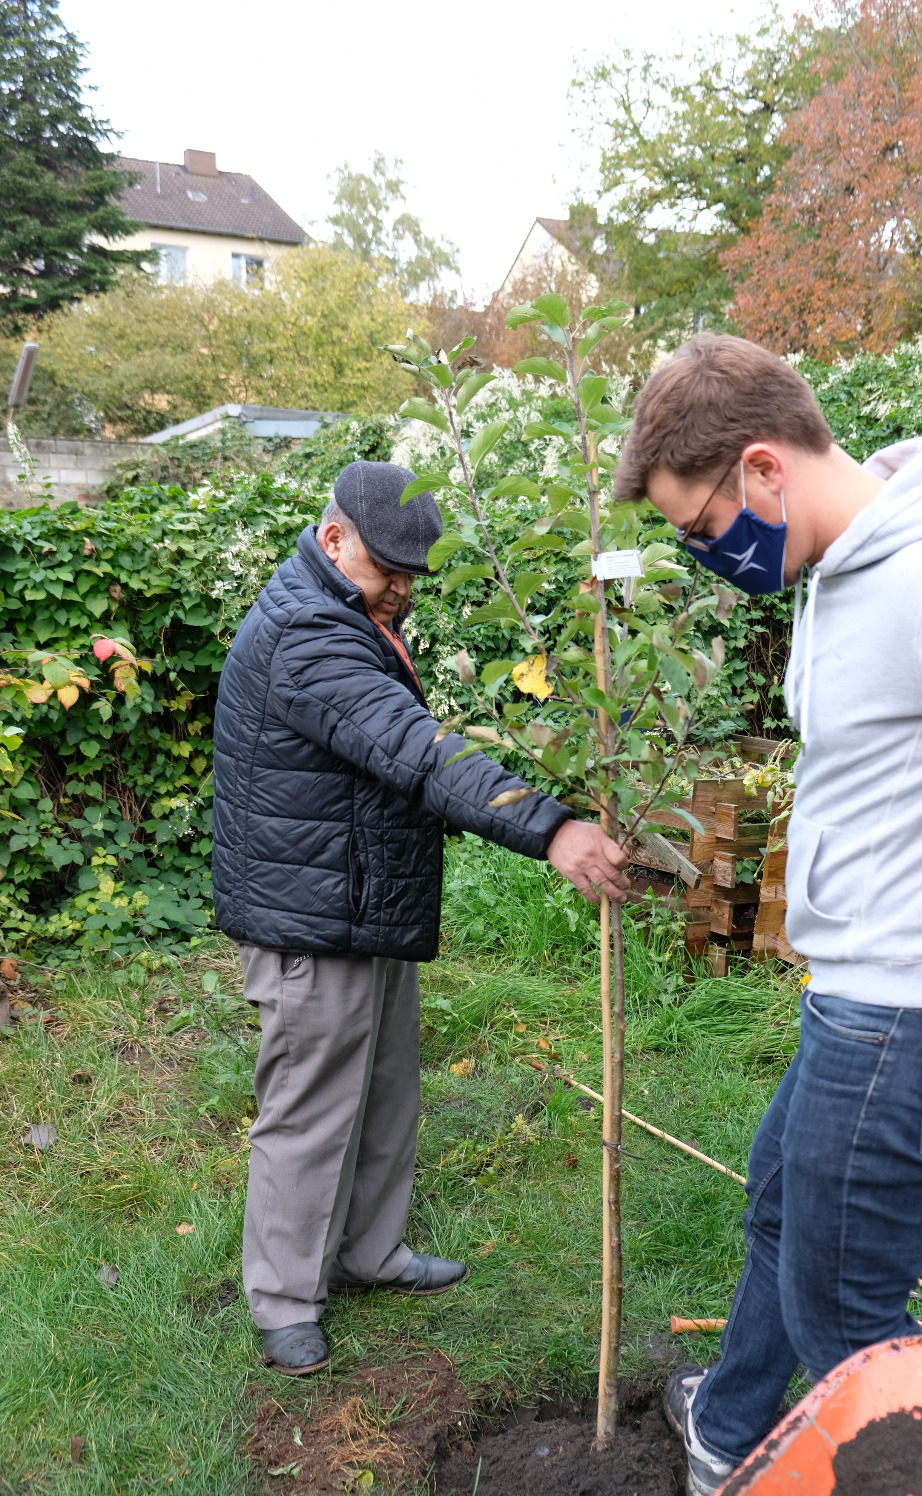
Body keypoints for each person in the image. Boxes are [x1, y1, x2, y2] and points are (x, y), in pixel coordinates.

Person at [614, 332, 922, 1496]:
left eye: (702, 531)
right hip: (866, 1001)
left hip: (917, 1017)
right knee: (779, 1198)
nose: (706, 559)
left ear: (762, 469)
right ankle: (730, 1426)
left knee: (845, 1306)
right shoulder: (851, 560)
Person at [212, 460, 629, 1376]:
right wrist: (549, 828)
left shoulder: (351, 615)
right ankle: (285, 1298)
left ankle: (368, 1251)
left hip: (361, 902)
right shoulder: (306, 637)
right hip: (310, 916)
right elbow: (415, 750)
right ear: (332, 540)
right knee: (311, 1109)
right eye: (388, 569)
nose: (403, 589)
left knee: (385, 1088)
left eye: (413, 573)